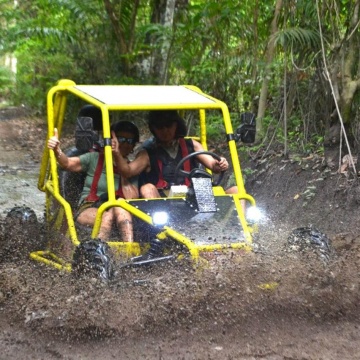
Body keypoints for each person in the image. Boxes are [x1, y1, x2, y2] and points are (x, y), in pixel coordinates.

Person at [48, 119, 140, 242]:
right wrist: (57, 150)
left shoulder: (132, 169)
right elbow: (68, 163)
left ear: (134, 146)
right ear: (112, 140)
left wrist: (120, 162)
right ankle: (97, 253)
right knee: (106, 216)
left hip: (117, 209)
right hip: (90, 207)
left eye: (129, 141)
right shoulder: (94, 158)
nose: (124, 144)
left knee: (121, 208)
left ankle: (129, 251)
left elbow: (132, 199)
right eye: (121, 139)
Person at [111, 110, 237, 197]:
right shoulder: (147, 153)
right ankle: (156, 232)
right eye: (160, 127)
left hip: (195, 195)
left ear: (176, 125)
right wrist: (116, 152)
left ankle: (243, 234)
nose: (165, 131)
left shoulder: (191, 145)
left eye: (168, 125)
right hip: (163, 204)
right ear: (153, 129)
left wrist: (219, 164)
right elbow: (127, 171)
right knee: (147, 188)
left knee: (236, 191)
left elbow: (212, 165)